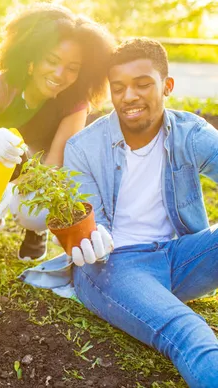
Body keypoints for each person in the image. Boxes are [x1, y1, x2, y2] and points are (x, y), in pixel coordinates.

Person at [25, 38, 218, 387]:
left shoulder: (191, 133)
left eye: (142, 84)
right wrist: (89, 238)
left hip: (179, 257)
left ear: (167, 86)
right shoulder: (84, 146)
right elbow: (89, 221)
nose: (129, 96)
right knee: (190, 332)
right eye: (119, 88)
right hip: (113, 264)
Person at [0, 3, 115, 260]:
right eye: (52, 61)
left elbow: (52, 167)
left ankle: (35, 232)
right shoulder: (3, 86)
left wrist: (11, 189)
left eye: (72, 68)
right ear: (31, 60)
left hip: (36, 176)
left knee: (34, 211)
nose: (60, 74)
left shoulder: (75, 103)